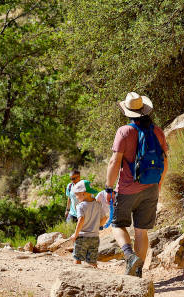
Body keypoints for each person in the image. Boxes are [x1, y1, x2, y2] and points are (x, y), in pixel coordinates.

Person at [105, 92, 168, 277]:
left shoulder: (124, 131)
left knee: (117, 224)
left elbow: (114, 162)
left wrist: (109, 187)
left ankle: (129, 256)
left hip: (126, 189)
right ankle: (137, 272)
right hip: (151, 188)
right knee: (141, 232)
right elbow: (165, 162)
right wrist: (159, 185)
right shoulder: (158, 131)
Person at [67, 180, 108, 268]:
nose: (76, 197)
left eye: (77, 194)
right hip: (95, 237)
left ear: (84, 193)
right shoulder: (98, 204)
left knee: (78, 258)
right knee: (92, 260)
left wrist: (75, 235)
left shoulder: (80, 206)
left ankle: (76, 275)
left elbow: (81, 220)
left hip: (82, 237)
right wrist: (97, 226)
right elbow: (104, 218)